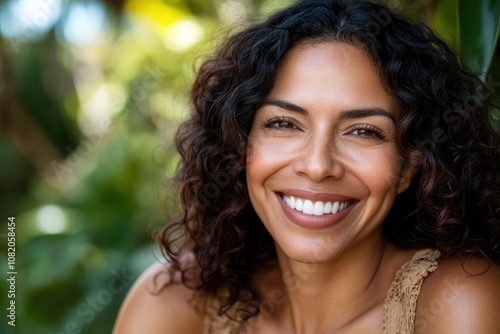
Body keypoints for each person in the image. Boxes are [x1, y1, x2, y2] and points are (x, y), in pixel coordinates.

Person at [113, 0, 500, 333]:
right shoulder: (173, 303)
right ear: (238, 145)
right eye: (283, 123)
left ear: (409, 166)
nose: (318, 166)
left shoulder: (460, 301)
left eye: (364, 131)